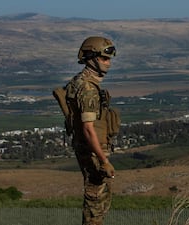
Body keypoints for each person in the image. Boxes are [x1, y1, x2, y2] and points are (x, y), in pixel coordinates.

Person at [62, 36, 120, 225]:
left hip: (89, 147)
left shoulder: (79, 81)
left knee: (97, 200)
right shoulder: (88, 89)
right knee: (96, 201)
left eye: (109, 58)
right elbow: (88, 129)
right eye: (104, 58)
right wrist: (103, 160)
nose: (108, 63)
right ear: (91, 58)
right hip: (93, 150)